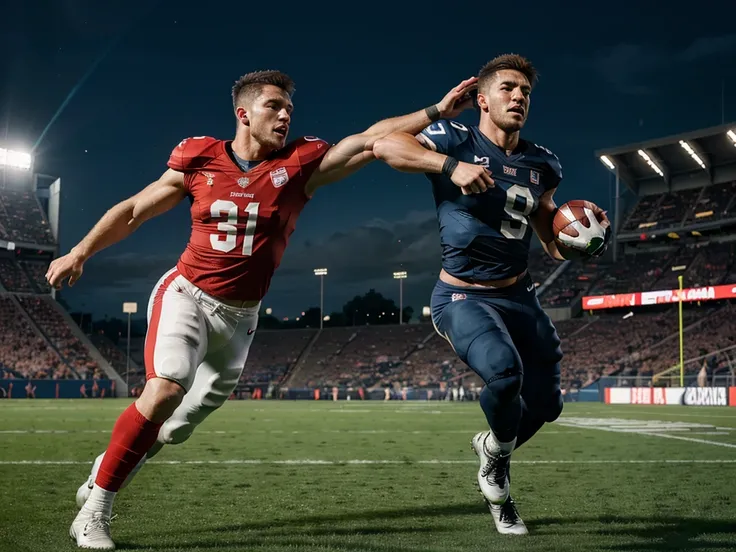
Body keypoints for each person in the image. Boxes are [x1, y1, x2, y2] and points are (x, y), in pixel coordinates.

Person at [46, 69, 479, 550]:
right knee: (165, 388)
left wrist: (437, 111)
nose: (285, 114)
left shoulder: (299, 164)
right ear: (243, 113)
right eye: (274, 105)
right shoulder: (200, 158)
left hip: (242, 320)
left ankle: (104, 470)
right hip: (187, 294)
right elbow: (133, 211)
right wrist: (80, 251)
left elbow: (368, 141)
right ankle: (96, 509)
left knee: (175, 430)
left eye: (289, 107)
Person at [373, 54, 610, 535]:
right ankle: (498, 474)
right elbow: (384, 146)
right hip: (463, 296)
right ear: (482, 99)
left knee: (547, 406)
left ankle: (492, 448)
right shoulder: (455, 140)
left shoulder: (543, 162)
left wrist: (578, 237)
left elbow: (549, 238)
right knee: (504, 374)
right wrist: (447, 166)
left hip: (519, 294)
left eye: (525, 91)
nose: (518, 96)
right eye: (507, 88)